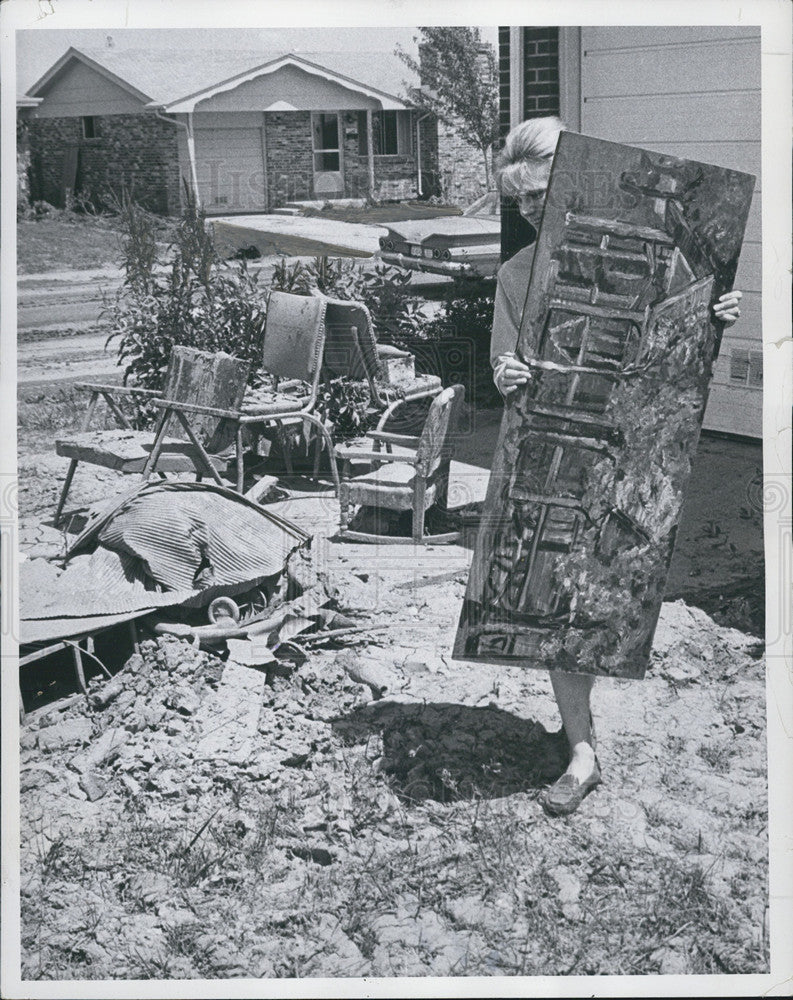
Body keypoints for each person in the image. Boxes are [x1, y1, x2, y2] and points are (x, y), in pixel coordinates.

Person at [490, 117, 743, 816]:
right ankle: (581, 748)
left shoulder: (655, 254)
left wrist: (714, 313)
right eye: (519, 202)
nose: (530, 211)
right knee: (551, 602)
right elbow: (502, 368)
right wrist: (508, 371)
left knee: (607, 593)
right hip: (558, 455)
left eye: (540, 194)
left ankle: (585, 729)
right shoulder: (516, 273)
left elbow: (681, 354)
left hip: (632, 457)